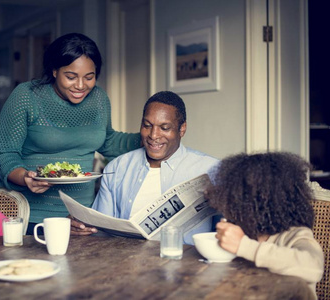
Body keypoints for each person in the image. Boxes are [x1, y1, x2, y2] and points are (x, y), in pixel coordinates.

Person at [0, 33, 140, 233]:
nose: (80, 86)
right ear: (54, 70)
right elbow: (3, 154)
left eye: (89, 77)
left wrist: (150, 137)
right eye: (71, 77)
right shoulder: (27, 96)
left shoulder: (98, 98)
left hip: (82, 216)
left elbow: (108, 142)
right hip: (31, 216)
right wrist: (25, 177)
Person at [71, 91, 219, 244]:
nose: (153, 135)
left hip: (185, 263)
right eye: (147, 126)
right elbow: (99, 231)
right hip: (124, 262)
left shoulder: (210, 169)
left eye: (164, 128)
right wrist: (81, 227)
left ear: (182, 129)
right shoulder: (117, 168)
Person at [205, 152, 324, 298]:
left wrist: (243, 246)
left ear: (261, 204)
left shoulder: (295, 235)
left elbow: (313, 267)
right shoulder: (245, 231)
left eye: (236, 201)